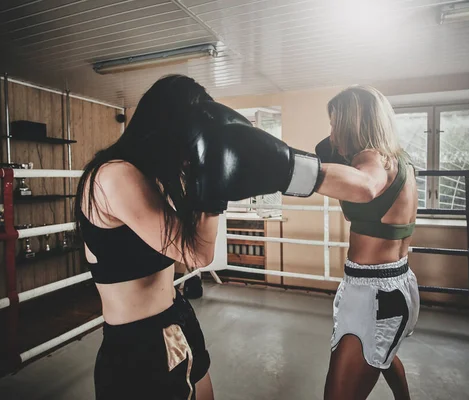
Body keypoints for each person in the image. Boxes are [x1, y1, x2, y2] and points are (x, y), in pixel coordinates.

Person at [75, 74, 323, 400]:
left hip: (177, 316)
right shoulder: (115, 175)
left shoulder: (155, 178)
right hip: (138, 343)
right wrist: (214, 187)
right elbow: (197, 255)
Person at [315, 86, 420, 400]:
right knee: (383, 356)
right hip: (394, 285)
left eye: (336, 124)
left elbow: (367, 185)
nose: (332, 135)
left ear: (352, 124)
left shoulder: (371, 160)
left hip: (374, 297)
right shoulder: (399, 159)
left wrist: (289, 172)